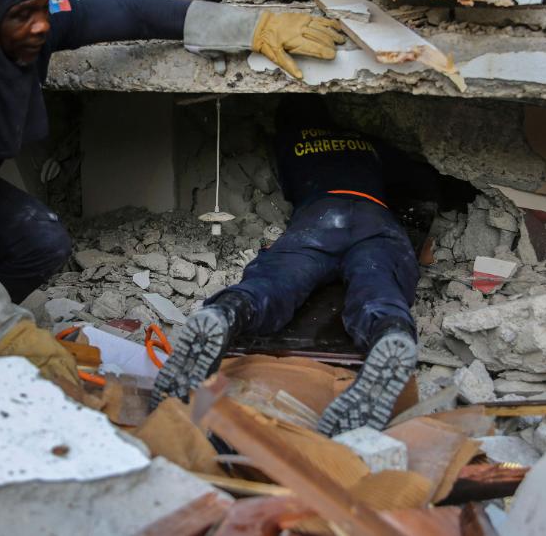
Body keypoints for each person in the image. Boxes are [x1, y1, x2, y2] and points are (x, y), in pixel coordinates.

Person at [0, 0, 347, 380]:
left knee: (42, 241)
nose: (41, 24)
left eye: (42, 7)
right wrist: (5, 329)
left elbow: (133, 12)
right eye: (23, 15)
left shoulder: (23, 22)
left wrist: (252, 27)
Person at [154, 95, 428, 436]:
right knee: (377, 284)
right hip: (373, 216)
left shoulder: (288, 142)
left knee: (276, 280)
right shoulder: (366, 143)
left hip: (319, 217)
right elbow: (420, 180)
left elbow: (285, 186)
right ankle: (389, 331)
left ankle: (227, 312)